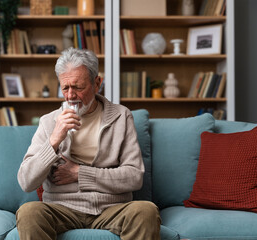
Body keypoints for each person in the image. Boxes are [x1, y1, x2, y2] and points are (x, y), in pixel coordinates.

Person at [16, 48, 161, 240]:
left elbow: (134, 177)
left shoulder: (121, 116)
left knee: (146, 210)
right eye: (65, 88)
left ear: (97, 83)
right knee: (29, 212)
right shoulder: (49, 122)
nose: (70, 96)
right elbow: (26, 182)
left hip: (112, 208)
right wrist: (54, 140)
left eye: (78, 87)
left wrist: (79, 173)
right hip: (62, 208)